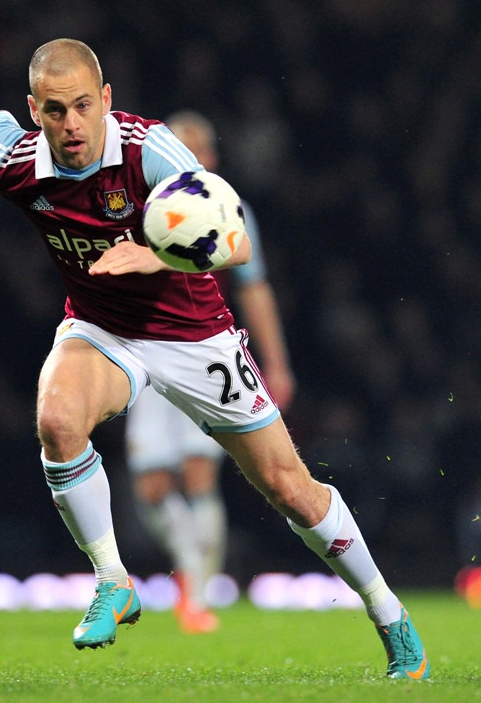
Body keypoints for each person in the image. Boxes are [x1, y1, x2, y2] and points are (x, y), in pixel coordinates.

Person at [0, 38, 428, 680]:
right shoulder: (18, 161)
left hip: (194, 335)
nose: (71, 125)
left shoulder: (150, 150)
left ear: (105, 100)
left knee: (288, 489)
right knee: (56, 419)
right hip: (102, 329)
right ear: (34, 111)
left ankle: (389, 616)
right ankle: (113, 581)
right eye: (54, 111)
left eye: (82, 106)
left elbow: (237, 240)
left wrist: (153, 255)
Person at [124, 110, 296, 634]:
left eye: (199, 150)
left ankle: (195, 596)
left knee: (199, 475)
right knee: (152, 485)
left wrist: (277, 363)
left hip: (203, 352)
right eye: (180, 148)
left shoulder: (228, 209)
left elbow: (254, 286)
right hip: (143, 352)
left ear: (213, 160)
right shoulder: (139, 201)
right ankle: (192, 582)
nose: (190, 159)